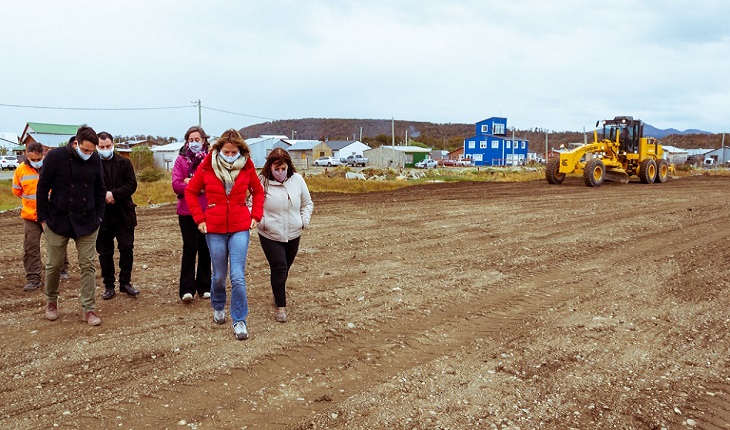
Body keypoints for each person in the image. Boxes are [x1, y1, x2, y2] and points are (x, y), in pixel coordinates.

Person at [185, 129, 264, 340]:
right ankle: (218, 305)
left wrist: (256, 214)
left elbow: (258, 191)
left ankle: (240, 320)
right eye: (226, 152)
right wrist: (199, 219)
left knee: (237, 276)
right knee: (219, 276)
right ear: (219, 149)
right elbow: (190, 191)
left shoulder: (246, 166)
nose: (230, 155)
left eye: (234, 152)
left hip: (239, 226)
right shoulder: (208, 166)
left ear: (240, 150)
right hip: (215, 228)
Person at [36, 125, 106, 326]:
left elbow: (100, 190)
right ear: (75, 143)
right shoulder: (55, 157)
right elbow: (42, 189)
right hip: (58, 220)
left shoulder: (94, 159)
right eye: (85, 150)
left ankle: (89, 308)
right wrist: (43, 218)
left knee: (87, 265)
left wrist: (99, 217)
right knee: (54, 265)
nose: (88, 154)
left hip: (87, 221)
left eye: (92, 150)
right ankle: (51, 301)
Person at [257, 148, 313, 323]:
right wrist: (261, 222)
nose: (280, 172)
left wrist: (303, 221)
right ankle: (281, 306)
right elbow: (252, 204)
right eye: (276, 169)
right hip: (269, 233)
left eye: (283, 169)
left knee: (285, 267)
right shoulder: (262, 182)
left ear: (288, 166)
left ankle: (277, 291)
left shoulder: (297, 180)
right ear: (270, 168)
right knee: (279, 267)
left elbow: (307, 203)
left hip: (293, 232)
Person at [12, 143, 70, 292]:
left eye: (39, 158)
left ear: (43, 155)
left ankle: (63, 270)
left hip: (52, 214)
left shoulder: (52, 167)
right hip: (31, 216)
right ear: (27, 155)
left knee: (57, 244)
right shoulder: (20, 170)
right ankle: (33, 278)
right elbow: (17, 191)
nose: (36, 161)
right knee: (30, 247)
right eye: (32, 158)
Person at [95, 132, 140, 300]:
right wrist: (103, 196)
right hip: (101, 216)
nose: (105, 149)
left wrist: (114, 194)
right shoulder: (92, 164)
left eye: (108, 146)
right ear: (97, 146)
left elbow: (131, 185)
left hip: (123, 214)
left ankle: (125, 282)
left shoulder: (124, 163)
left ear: (113, 144)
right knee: (105, 253)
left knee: (126, 248)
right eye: (102, 147)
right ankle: (108, 285)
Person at [171, 126, 212, 303]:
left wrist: (191, 182)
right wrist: (196, 185)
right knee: (190, 248)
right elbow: (176, 185)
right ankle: (186, 289)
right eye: (191, 140)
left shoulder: (211, 159)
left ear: (204, 140)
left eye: (197, 139)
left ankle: (204, 287)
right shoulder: (181, 160)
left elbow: (212, 183)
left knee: (206, 248)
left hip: (208, 210)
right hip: (187, 211)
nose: (194, 143)